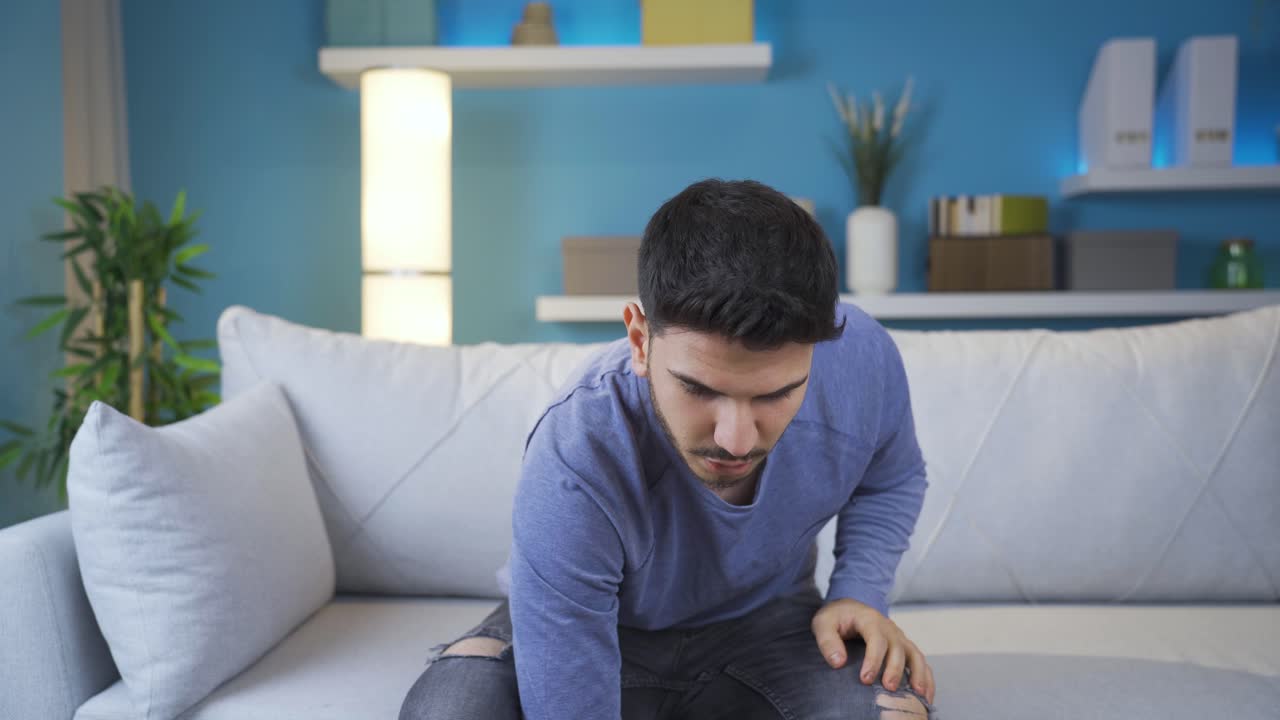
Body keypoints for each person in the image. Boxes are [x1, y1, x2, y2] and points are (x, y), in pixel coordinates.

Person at [400, 178, 938, 720]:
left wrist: (858, 592)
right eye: (699, 389)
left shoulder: (862, 359)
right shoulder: (578, 449)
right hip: (593, 625)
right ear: (640, 340)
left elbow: (892, 478)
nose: (736, 440)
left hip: (769, 624)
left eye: (776, 394)